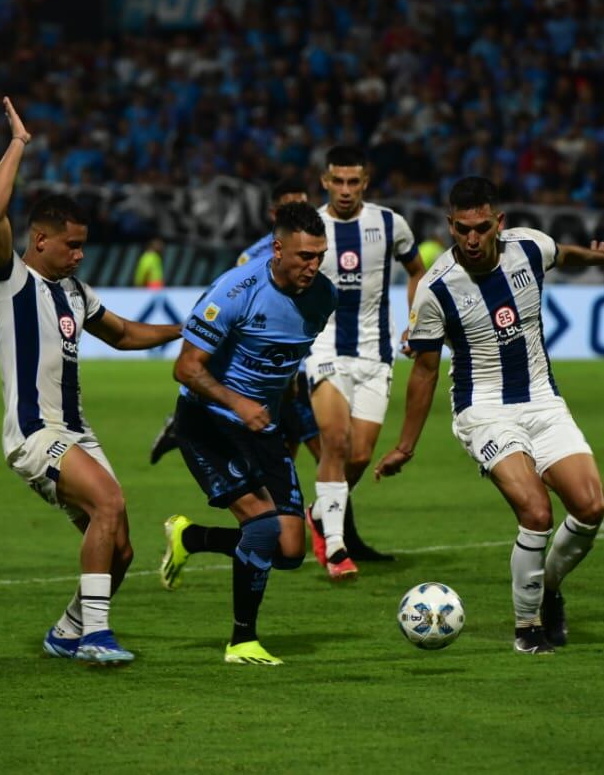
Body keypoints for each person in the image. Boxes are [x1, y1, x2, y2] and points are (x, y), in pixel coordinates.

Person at [374, 176, 604, 655]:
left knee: (590, 508)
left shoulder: (528, 247)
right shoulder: (435, 289)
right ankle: (527, 628)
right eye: (461, 229)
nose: (471, 238)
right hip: (482, 409)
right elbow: (423, 372)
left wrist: (598, 257)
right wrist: (406, 445)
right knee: (536, 511)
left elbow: (560, 253)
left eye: (481, 227)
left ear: (498, 223)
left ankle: (548, 590)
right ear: (449, 225)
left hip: (543, 401)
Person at [0, 98, 182, 665]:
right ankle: (96, 636)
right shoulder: (10, 281)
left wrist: (185, 331)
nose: (80, 254)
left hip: (76, 431)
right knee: (110, 500)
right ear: (39, 240)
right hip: (34, 432)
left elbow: (120, 333)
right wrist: (18, 143)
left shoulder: (74, 292)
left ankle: (67, 630)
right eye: (71, 244)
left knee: (121, 549)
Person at [159, 201, 337, 665]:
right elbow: (185, 368)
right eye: (304, 256)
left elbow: (285, 369)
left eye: (319, 255)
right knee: (261, 526)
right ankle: (242, 641)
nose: (312, 266)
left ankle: (191, 538)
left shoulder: (323, 297)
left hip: (263, 426)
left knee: (290, 550)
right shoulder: (236, 291)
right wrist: (238, 402)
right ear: (277, 249)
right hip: (206, 421)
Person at [305, 145, 427, 579]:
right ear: (324, 181)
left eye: (353, 182)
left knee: (358, 456)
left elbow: (418, 271)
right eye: (337, 181)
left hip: (376, 354)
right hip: (324, 348)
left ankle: (320, 511)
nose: (344, 190)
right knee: (334, 440)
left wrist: (415, 322)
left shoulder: (390, 224)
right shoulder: (310, 227)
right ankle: (336, 548)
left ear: (365, 183)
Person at [149, 177, 321, 464]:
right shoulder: (251, 260)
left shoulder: (314, 251)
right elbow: (234, 309)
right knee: (324, 452)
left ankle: (287, 503)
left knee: (285, 447)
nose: (298, 215)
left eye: (303, 206)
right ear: (273, 215)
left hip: (296, 362)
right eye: (289, 209)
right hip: (272, 367)